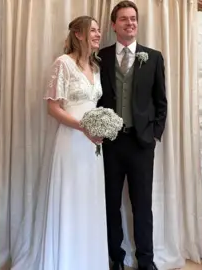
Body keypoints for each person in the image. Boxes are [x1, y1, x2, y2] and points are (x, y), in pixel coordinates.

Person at [97, 1, 167, 270]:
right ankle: (115, 258)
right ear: (114, 25)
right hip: (110, 143)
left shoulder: (154, 57)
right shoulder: (100, 57)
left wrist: (155, 133)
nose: (130, 23)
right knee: (110, 204)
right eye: (124, 19)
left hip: (141, 143)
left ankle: (146, 261)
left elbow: (161, 101)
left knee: (142, 206)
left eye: (134, 18)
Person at [40, 16, 109, 270]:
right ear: (78, 34)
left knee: (89, 202)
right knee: (71, 200)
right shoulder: (63, 64)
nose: (97, 34)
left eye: (98, 30)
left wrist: (100, 128)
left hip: (93, 147)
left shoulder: (97, 67)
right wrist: (84, 128)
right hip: (71, 142)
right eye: (92, 30)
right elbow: (53, 108)